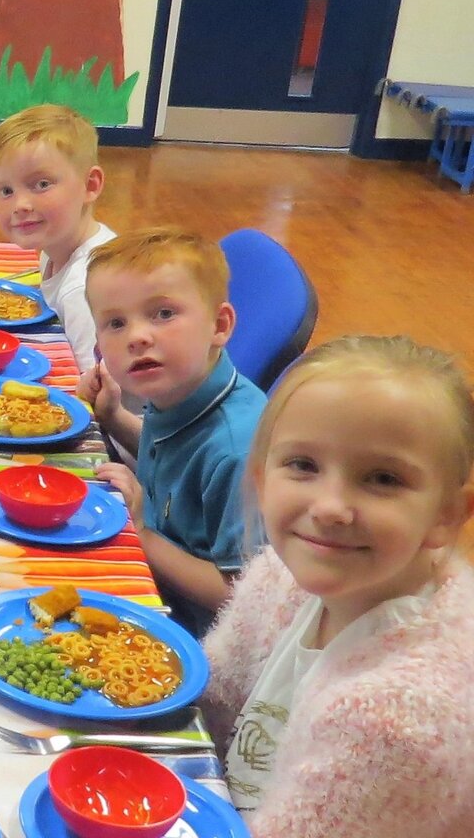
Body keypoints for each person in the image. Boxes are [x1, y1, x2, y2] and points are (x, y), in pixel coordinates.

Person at [201, 335, 474, 837]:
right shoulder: (282, 576)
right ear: (262, 481)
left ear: (446, 514)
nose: (329, 507)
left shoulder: (398, 720)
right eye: (303, 465)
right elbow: (209, 696)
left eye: (383, 478)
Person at [77, 227, 267, 635]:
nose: (137, 337)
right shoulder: (179, 388)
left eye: (163, 314)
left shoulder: (235, 451)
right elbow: (171, 461)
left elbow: (241, 596)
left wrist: (142, 534)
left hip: (196, 638)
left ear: (220, 325)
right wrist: (113, 419)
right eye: (115, 323)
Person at [0, 104, 109, 372]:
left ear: (91, 185)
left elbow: (97, 393)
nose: (20, 204)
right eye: (6, 190)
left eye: (41, 184)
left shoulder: (83, 291)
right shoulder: (54, 249)